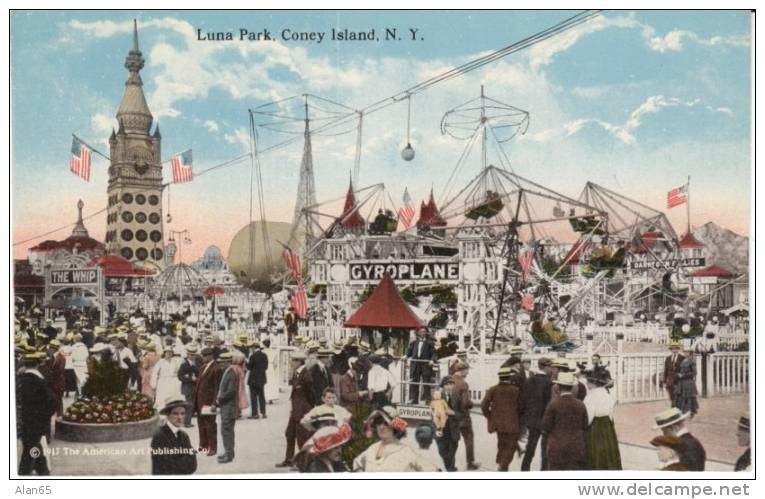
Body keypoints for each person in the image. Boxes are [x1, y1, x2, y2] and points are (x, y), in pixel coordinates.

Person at [353, 406, 438, 472]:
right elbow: (356, 463)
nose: (382, 427)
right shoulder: (372, 449)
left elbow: (432, 470)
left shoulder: (405, 451)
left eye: (386, 423)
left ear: (395, 427)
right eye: (378, 422)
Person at [16, 351, 57, 475]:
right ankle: (25, 472)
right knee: (32, 447)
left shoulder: (20, 379)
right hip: (36, 421)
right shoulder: (39, 381)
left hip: (23, 420)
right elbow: (52, 402)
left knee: (32, 445)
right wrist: (45, 417)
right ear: (38, 364)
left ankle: (42, 469)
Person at [542, 372, 588, 470]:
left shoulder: (553, 404)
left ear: (558, 387)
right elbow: (585, 425)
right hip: (576, 447)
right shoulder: (580, 404)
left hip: (557, 448)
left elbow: (546, 426)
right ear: (571, 387)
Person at [481, 366, 522, 471]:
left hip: (498, 423)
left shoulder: (493, 389)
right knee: (511, 446)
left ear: (499, 377)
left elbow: (484, 405)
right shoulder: (516, 390)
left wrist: (490, 416)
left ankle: (500, 462)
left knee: (501, 443)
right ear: (509, 377)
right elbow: (521, 407)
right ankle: (503, 466)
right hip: (513, 423)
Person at [276, 351, 313, 468]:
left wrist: (306, 411)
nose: (290, 362)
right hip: (295, 412)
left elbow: (311, 396)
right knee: (289, 434)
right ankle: (289, 459)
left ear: (298, 361)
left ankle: (303, 463)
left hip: (302, 412)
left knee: (302, 438)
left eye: (292, 360)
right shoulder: (297, 373)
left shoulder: (306, 375)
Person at [584, 369, 622, 470]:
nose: (587, 384)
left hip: (595, 427)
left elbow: (589, 417)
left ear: (593, 383)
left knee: (595, 454)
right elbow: (611, 414)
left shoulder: (590, 397)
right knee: (609, 453)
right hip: (607, 426)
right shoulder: (608, 395)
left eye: (588, 381)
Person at [150, 397, 198, 475]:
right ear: (168, 415)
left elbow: (193, 465)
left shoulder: (184, 436)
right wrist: (184, 459)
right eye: (175, 413)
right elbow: (166, 467)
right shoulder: (160, 436)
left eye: (182, 413)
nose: (180, 417)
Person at [521, 357, 553, 471]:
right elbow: (549, 403)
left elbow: (523, 400)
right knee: (545, 448)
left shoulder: (529, 380)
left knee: (531, 446)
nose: (552, 369)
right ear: (546, 367)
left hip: (531, 419)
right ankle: (543, 470)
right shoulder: (549, 383)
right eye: (551, 367)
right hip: (543, 419)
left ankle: (525, 468)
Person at [450, 360, 479, 470]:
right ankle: (470, 463)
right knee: (469, 439)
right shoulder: (463, 384)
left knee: (452, 441)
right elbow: (466, 403)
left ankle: (450, 464)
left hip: (451, 416)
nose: (468, 373)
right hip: (463, 418)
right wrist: (471, 404)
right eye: (467, 371)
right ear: (462, 371)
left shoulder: (448, 380)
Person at [193, 347, 222, 457]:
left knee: (210, 425)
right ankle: (203, 446)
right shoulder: (203, 367)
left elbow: (217, 387)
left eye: (204, 356)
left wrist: (215, 402)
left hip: (209, 402)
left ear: (210, 356)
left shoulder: (216, 369)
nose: (203, 358)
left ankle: (213, 448)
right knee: (201, 424)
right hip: (200, 401)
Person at [434, 376, 461, 472]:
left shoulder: (457, 396)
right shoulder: (437, 396)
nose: (450, 387)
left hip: (453, 429)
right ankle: (450, 467)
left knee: (453, 450)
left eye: (452, 384)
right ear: (443, 386)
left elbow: (462, 414)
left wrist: (453, 413)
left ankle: (451, 468)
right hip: (441, 428)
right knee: (442, 450)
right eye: (447, 384)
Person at [216, 351, 238, 463]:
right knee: (226, 431)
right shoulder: (228, 372)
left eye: (222, 363)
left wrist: (218, 399)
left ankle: (228, 455)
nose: (221, 365)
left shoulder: (231, 374)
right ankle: (228, 452)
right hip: (227, 407)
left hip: (229, 408)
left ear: (228, 362)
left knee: (227, 431)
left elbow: (230, 392)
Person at [405, 329, 437, 404]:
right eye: (421, 332)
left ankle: (428, 400)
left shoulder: (430, 343)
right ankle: (414, 399)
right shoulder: (414, 342)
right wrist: (406, 356)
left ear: (426, 333)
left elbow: (434, 353)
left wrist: (432, 360)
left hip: (425, 365)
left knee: (426, 383)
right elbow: (409, 352)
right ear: (418, 333)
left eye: (424, 332)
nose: (423, 333)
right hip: (416, 365)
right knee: (414, 382)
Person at [177, 344, 199, 428]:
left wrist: (196, 378)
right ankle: (187, 422)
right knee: (189, 405)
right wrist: (190, 379)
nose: (192, 356)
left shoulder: (196, 364)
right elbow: (180, 376)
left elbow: (198, 373)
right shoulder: (184, 364)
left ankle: (187, 421)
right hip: (187, 387)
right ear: (188, 355)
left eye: (194, 355)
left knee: (191, 405)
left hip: (194, 387)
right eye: (191, 355)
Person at [672, 350, 699, 417]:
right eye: (684, 352)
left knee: (689, 398)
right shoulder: (683, 361)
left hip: (689, 382)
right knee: (680, 397)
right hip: (682, 382)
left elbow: (694, 373)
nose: (685, 353)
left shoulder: (692, 361)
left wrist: (683, 375)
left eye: (687, 352)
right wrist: (678, 374)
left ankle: (691, 412)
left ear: (690, 353)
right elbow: (681, 370)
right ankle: (682, 412)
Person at [246, 340, 269, 419]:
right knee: (262, 396)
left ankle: (255, 414)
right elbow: (266, 367)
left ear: (253, 348)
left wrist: (246, 361)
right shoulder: (264, 355)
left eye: (251, 348)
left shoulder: (252, 356)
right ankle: (263, 413)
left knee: (253, 397)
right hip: (262, 378)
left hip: (253, 379)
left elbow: (249, 367)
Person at [231, 351, 249, 419]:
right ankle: (239, 411)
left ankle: (236, 412)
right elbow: (243, 374)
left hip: (235, 384)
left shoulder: (233, 367)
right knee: (240, 396)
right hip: (241, 384)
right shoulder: (240, 368)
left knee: (235, 396)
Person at [262, 338, 280, 403]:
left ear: (264, 345)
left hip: (265, 367)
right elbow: (276, 363)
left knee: (265, 383)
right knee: (271, 383)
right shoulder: (273, 351)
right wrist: (273, 368)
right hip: (271, 367)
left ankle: (265, 397)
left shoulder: (263, 352)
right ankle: (271, 398)